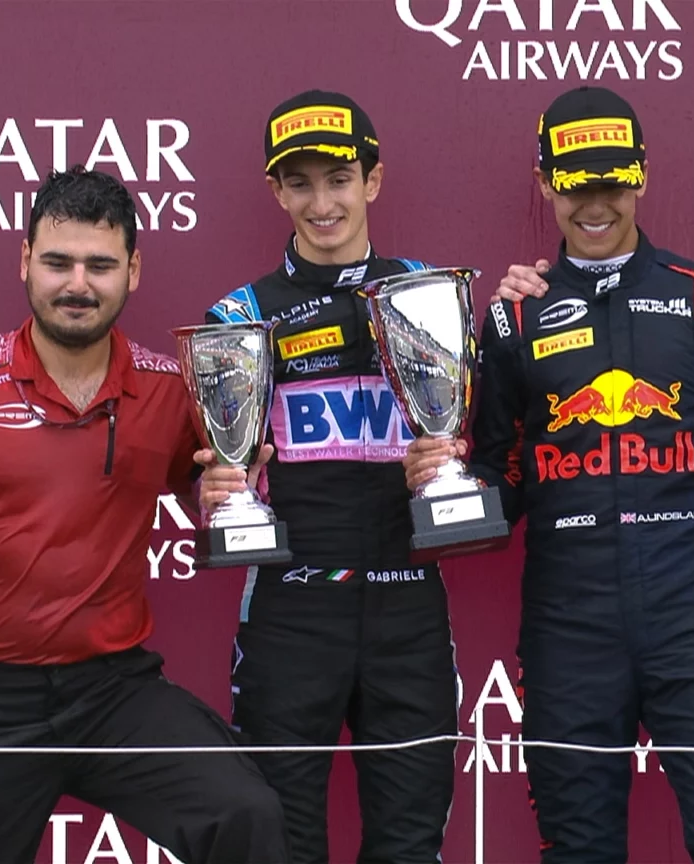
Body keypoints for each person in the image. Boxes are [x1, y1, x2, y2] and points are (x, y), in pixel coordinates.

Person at [408, 85, 694, 863]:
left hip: (689, 615)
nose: (594, 204)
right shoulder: (510, 317)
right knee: (580, 850)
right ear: (546, 185)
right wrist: (444, 483)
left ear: (641, 177)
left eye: (611, 183)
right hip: (569, 626)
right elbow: (504, 478)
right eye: (575, 186)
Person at [0, 166, 288, 864]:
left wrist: (223, 492)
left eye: (100, 265)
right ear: (25, 262)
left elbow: (213, 484)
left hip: (113, 691)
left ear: (133, 271)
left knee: (243, 815)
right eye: (58, 262)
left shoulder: (172, 388)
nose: (78, 284)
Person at [195, 90, 458, 864]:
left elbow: (478, 435)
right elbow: (208, 470)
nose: (322, 202)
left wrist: (448, 464)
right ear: (276, 192)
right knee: (283, 842)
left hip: (408, 608)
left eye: (339, 178)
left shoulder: (431, 294)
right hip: (290, 608)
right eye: (300, 183)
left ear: (372, 181)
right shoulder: (238, 316)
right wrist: (214, 487)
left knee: (410, 846)